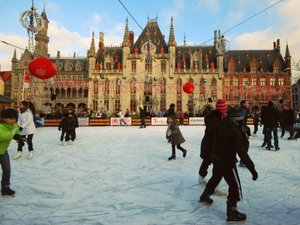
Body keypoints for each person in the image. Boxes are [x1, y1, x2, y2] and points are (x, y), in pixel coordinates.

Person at [199, 99, 258, 222]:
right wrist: (252, 168)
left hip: (217, 157)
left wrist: (210, 156)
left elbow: (210, 140)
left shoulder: (220, 123)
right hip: (226, 161)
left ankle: (205, 195)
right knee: (235, 185)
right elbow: (242, 152)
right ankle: (232, 211)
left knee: (216, 176)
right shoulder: (233, 130)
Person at [0, 108, 23, 196]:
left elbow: (16, 131)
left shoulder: (13, 125)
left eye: (14, 118)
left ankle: (5, 187)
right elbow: (3, 136)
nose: (13, 120)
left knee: (7, 169)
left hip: (3, 151)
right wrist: (13, 134)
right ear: (4, 118)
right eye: (11, 118)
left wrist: (18, 138)